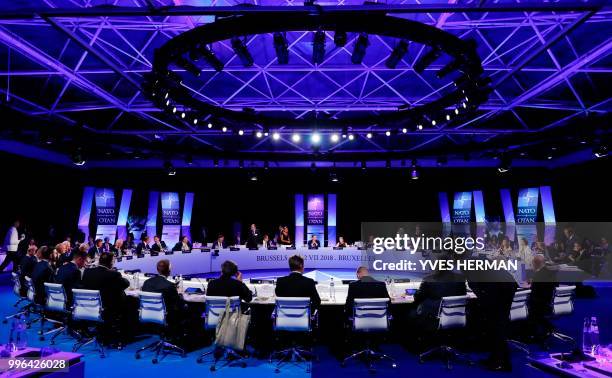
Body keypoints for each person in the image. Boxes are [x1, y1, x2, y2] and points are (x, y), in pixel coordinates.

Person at [463, 259, 517, 372]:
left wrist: (481, 298)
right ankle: (496, 359)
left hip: (498, 289)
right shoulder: (484, 265)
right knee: (500, 325)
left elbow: (478, 289)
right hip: (508, 286)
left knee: (497, 327)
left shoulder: (471, 270)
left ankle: (500, 363)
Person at [81, 252, 134, 344]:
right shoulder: (113, 274)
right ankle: (127, 335)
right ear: (111, 262)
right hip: (108, 307)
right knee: (132, 301)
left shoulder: (87, 272)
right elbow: (126, 284)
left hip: (89, 306)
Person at [141, 259, 184, 332]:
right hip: (165, 316)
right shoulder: (170, 286)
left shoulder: (147, 282)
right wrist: (180, 294)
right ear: (169, 271)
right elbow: (178, 303)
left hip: (147, 313)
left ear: (157, 269)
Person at [527, 255, 558, 340]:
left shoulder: (538, 275)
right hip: (549, 302)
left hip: (540, 305)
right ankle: (547, 326)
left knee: (525, 302)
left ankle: (530, 332)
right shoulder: (551, 273)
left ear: (535, 264)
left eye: (532, 264)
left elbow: (533, 292)